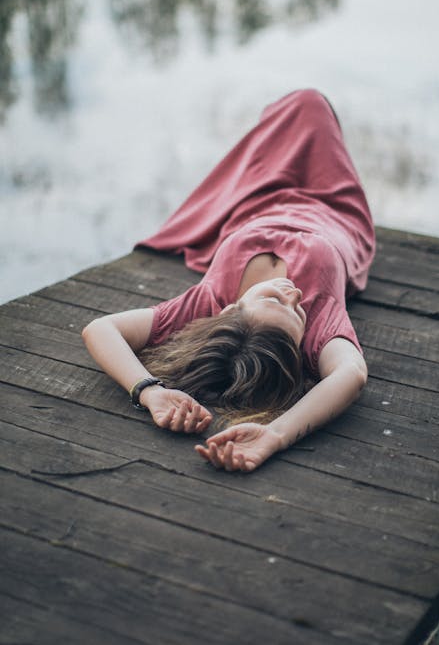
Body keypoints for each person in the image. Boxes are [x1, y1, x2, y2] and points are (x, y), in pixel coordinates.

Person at [82, 89, 376, 472]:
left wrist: (148, 391)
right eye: (298, 313)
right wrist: (276, 435)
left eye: (274, 301)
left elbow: (100, 328)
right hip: (333, 208)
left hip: (258, 198)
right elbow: (351, 373)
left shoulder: (208, 299)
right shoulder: (321, 315)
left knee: (294, 110)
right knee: (310, 104)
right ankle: (285, 116)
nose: (295, 295)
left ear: (233, 309)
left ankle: (278, 118)